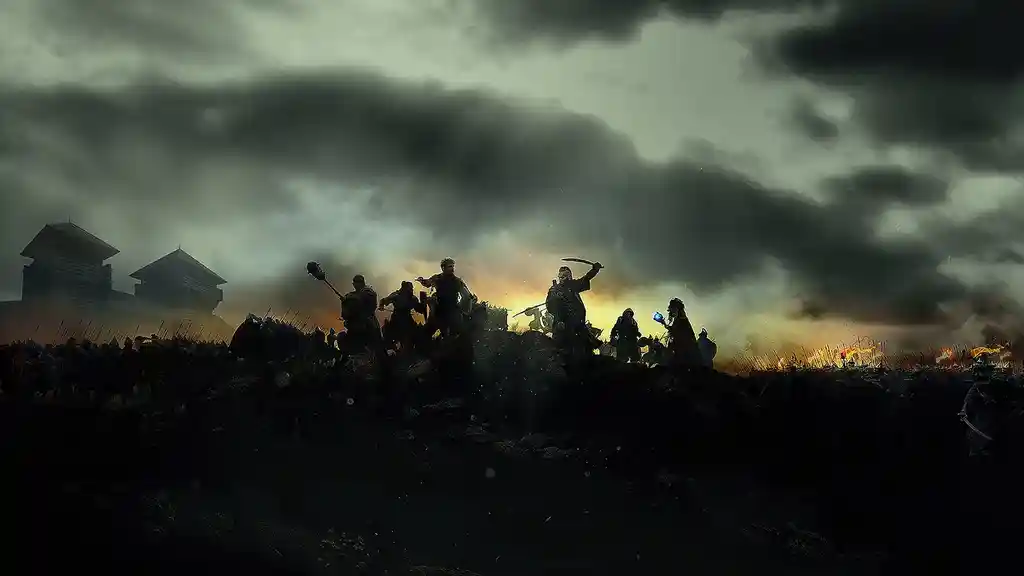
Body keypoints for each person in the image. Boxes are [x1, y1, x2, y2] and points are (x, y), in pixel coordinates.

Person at [546, 261, 603, 366]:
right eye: (562, 276)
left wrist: (594, 270)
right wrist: (556, 300)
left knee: (586, 347)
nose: (564, 278)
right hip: (562, 325)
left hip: (577, 324)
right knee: (560, 350)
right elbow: (550, 307)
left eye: (566, 276)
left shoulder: (572, 285)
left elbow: (585, 279)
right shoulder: (554, 289)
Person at [416, 258, 475, 340]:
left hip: (452, 310)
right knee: (426, 333)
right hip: (439, 310)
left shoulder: (457, 281)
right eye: (450, 266)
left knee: (460, 334)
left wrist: (467, 304)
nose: (452, 269)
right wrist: (422, 281)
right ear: (443, 268)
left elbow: (466, 294)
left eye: (453, 266)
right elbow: (428, 283)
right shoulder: (437, 278)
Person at [379, 280, 427, 352]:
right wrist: (381, 305)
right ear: (404, 289)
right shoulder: (396, 296)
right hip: (396, 319)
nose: (411, 290)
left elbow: (419, 309)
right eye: (410, 289)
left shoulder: (412, 298)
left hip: (407, 319)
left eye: (412, 289)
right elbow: (383, 301)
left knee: (417, 334)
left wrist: (424, 302)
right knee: (387, 332)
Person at [655, 298, 702, 368]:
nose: (670, 311)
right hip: (682, 352)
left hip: (686, 355)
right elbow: (674, 331)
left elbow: (677, 333)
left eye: (672, 308)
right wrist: (663, 323)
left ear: (676, 309)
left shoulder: (682, 320)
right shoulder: (678, 319)